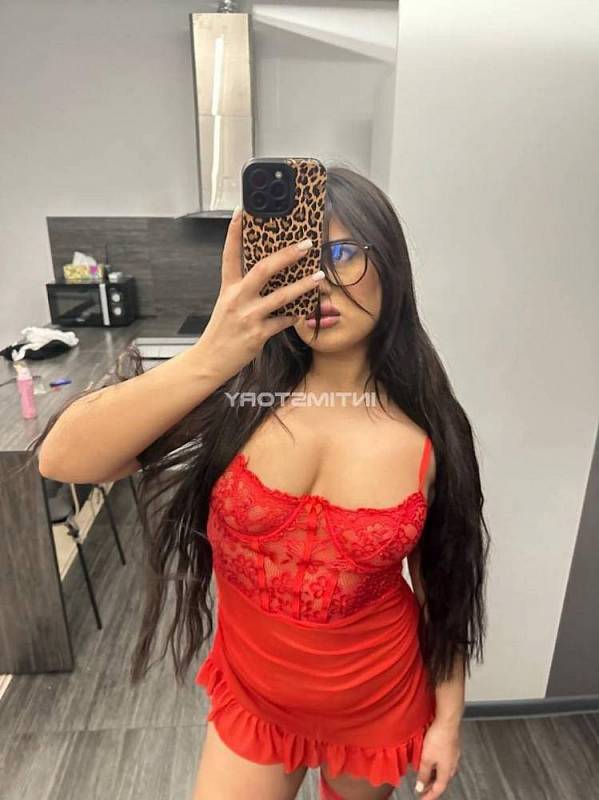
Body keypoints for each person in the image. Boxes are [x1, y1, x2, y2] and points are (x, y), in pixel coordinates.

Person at [36, 166, 489, 800]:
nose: (319, 281)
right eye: (298, 260)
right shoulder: (237, 402)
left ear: (390, 263)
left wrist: (447, 721)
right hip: (254, 700)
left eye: (341, 254)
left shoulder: (429, 435)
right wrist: (211, 356)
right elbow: (62, 460)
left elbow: (443, 590)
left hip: (379, 702)